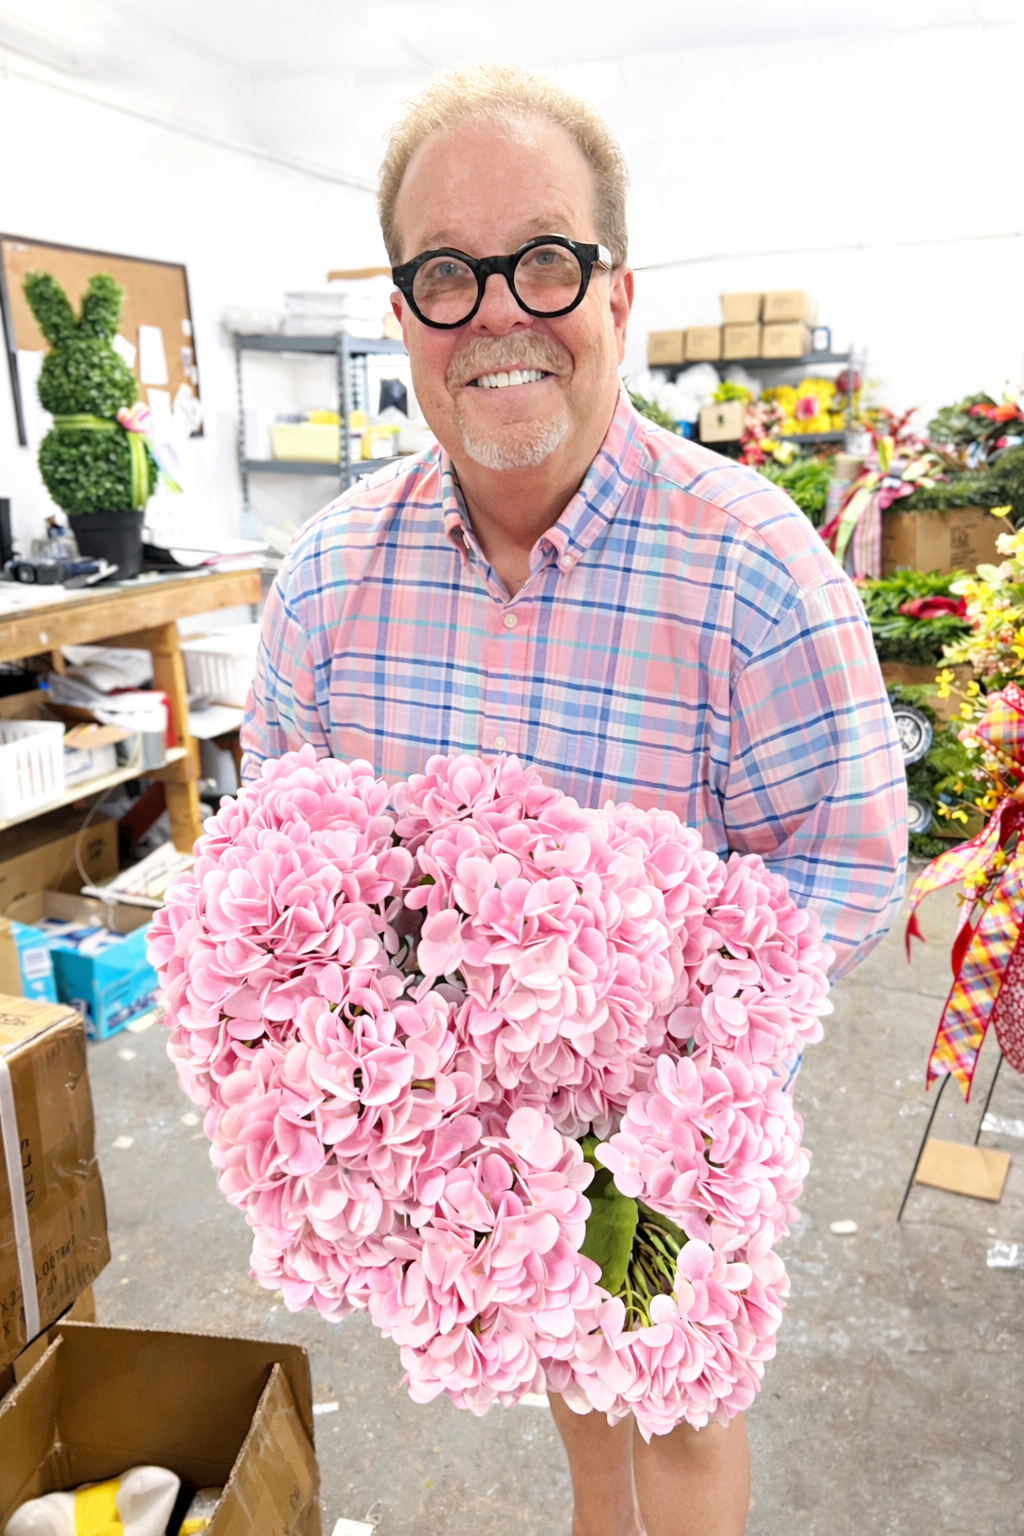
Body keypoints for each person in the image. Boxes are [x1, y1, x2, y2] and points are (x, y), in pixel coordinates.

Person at [241, 62, 906, 1536]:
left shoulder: (754, 567)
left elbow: (851, 859)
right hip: (467, 1135)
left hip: (667, 1128)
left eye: (543, 258)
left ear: (614, 292)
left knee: (676, 1398)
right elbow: (269, 877)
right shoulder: (333, 585)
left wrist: (650, 1011)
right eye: (443, 274)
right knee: (572, 1376)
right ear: (405, 311)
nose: (496, 310)